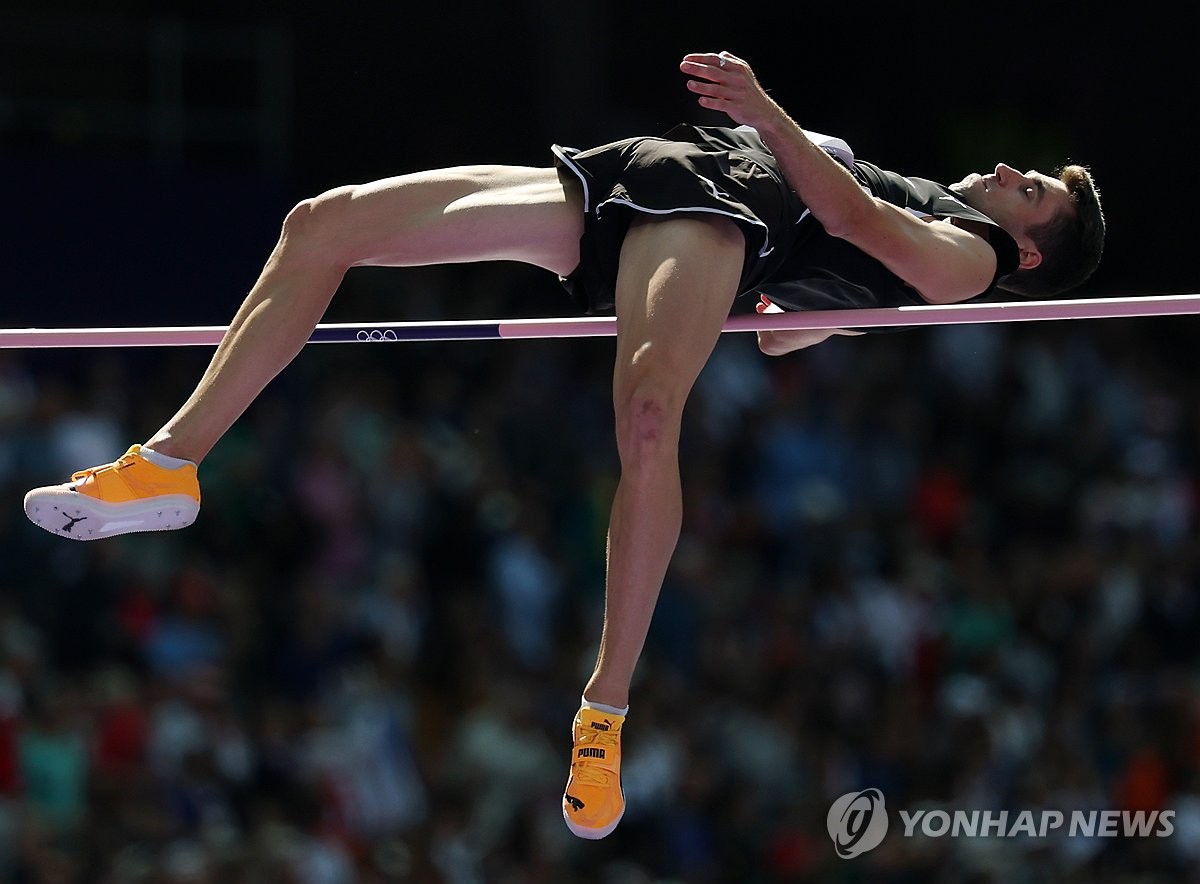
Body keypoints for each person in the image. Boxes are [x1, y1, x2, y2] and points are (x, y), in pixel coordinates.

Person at [23, 51, 1105, 840]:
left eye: (1036, 188)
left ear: (1031, 252)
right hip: (651, 170)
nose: (1012, 168)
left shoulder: (969, 259)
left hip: (719, 203)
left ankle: (604, 710)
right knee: (323, 220)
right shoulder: (926, 211)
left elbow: (867, 238)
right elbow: (801, 325)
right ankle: (167, 465)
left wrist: (773, 117)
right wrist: (808, 281)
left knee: (645, 411)